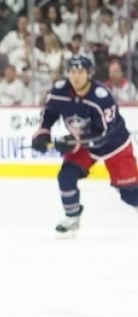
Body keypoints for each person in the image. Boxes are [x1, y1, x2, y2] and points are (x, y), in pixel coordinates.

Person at [31, 55, 138, 236]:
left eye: (81, 72)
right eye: (73, 72)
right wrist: (43, 134)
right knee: (66, 176)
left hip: (114, 144)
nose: (76, 76)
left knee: (129, 193)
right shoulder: (59, 91)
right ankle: (72, 217)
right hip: (83, 144)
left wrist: (72, 143)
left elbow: (104, 134)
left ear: (89, 74)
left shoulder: (101, 97)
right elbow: (48, 114)